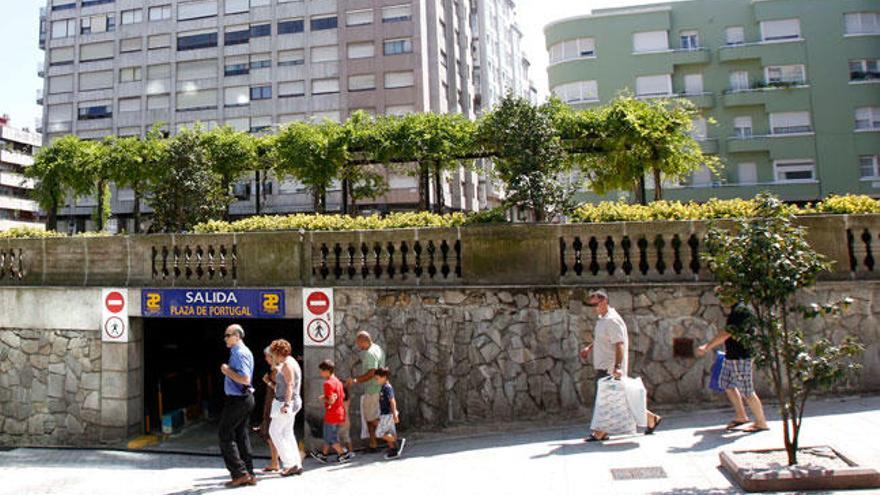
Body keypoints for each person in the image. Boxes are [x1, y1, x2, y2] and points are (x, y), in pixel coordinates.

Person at [579, 290, 662, 442]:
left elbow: (619, 344)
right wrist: (589, 348)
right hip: (604, 366)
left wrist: (617, 367)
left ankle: (601, 432)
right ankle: (651, 419)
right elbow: (604, 339)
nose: (593, 309)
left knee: (607, 400)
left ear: (603, 301)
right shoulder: (603, 319)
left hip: (610, 368)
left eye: (595, 305)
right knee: (621, 399)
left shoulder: (612, 320)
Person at [696, 302, 769, 433]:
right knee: (726, 383)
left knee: (747, 390)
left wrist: (707, 347)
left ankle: (761, 422)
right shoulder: (737, 308)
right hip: (732, 355)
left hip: (741, 356)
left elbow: (728, 332)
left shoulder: (741, 309)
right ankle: (741, 416)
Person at [218, 324, 256, 487]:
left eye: (228, 335)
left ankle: (239, 473)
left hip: (239, 399)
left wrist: (227, 371)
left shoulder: (240, 353)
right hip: (242, 398)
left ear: (237, 336)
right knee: (241, 435)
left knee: (225, 433)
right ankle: (249, 473)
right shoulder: (237, 351)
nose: (225, 338)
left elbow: (245, 379)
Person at [268, 339, 304, 477]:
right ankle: (296, 463)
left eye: (273, 353)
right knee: (287, 433)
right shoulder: (290, 362)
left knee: (274, 431)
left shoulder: (287, 365)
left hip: (287, 402)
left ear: (278, 352)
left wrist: (286, 404)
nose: (272, 356)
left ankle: (289, 464)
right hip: (293, 402)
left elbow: (289, 385)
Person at [345, 331, 386, 452]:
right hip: (377, 388)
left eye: (359, 343)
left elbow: (371, 373)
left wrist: (355, 380)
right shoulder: (378, 348)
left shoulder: (369, 353)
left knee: (370, 418)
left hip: (372, 389)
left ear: (364, 341)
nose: (359, 346)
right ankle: (373, 443)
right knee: (370, 417)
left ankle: (390, 438)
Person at [311, 359, 353, 464]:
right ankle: (324, 455)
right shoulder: (338, 382)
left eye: (321, 371)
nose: (320, 373)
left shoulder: (328, 384)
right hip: (339, 412)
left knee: (330, 437)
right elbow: (342, 396)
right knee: (328, 434)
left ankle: (343, 454)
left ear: (327, 371)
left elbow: (330, 400)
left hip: (332, 413)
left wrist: (324, 398)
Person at [255, 346, 280, 473]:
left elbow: (278, 389)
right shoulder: (274, 369)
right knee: (271, 434)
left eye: (267, 356)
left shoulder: (276, 370)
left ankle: (275, 462)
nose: (265, 359)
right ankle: (275, 461)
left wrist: (267, 381)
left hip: (273, 405)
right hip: (271, 403)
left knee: (271, 434)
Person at [374, 368, 405, 460]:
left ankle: (397, 441)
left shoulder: (387, 388)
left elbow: (392, 400)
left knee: (379, 433)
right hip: (385, 414)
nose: (376, 380)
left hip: (387, 414)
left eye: (377, 378)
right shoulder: (384, 387)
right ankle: (393, 450)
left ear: (384, 377)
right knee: (388, 432)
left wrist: (395, 413)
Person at [338, 380, 354, 457]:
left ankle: (342, 451)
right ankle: (351, 451)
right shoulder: (347, 399)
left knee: (339, 437)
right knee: (347, 436)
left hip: (341, 419)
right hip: (347, 419)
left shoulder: (339, 400)